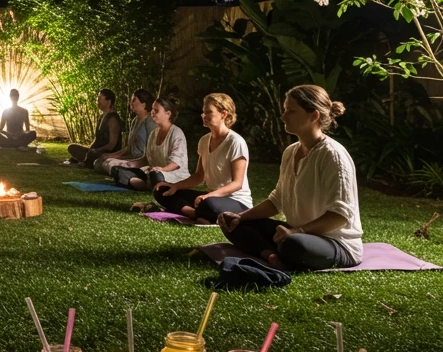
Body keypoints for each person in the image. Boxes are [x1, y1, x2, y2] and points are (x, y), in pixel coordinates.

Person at [217, 85, 362, 270]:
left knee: (293, 245)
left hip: (335, 243)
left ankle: (274, 251)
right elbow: (277, 200)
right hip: (295, 232)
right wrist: (240, 216)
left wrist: (297, 231)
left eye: (291, 111)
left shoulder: (332, 155)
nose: (284, 116)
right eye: (285, 110)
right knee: (235, 225)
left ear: (314, 115)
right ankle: (270, 256)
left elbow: (340, 216)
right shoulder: (290, 152)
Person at [153, 93, 252, 222]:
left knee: (208, 204)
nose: (203, 115)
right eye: (203, 112)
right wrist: (175, 186)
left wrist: (209, 196)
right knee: (162, 191)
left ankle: (197, 212)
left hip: (236, 201)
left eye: (208, 112)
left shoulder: (235, 142)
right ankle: (194, 213)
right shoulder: (204, 141)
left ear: (223, 114)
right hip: (212, 196)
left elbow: (237, 183)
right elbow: (199, 176)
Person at [112, 96, 189, 191]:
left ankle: (146, 184)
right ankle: (149, 185)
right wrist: (129, 164)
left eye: (156, 110)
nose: (152, 112)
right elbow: (146, 159)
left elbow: (176, 163)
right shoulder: (153, 134)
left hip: (171, 174)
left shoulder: (176, 132)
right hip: (153, 172)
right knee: (117, 170)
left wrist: (162, 170)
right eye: (152, 109)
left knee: (155, 175)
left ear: (168, 114)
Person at [97, 89, 155, 176]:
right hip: (130, 157)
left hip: (141, 161)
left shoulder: (150, 121)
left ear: (144, 104)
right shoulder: (135, 120)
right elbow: (129, 148)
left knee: (109, 164)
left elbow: (152, 151)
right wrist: (113, 155)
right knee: (100, 162)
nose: (131, 103)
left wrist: (133, 162)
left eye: (134, 100)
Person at [67, 89, 122, 166]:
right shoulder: (102, 116)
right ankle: (86, 159)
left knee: (91, 155)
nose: (97, 102)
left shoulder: (112, 119)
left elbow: (111, 145)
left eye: (100, 100)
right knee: (72, 147)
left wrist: (96, 151)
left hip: (108, 153)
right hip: (96, 151)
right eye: (97, 100)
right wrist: (91, 149)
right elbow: (97, 139)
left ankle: (87, 160)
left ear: (109, 102)